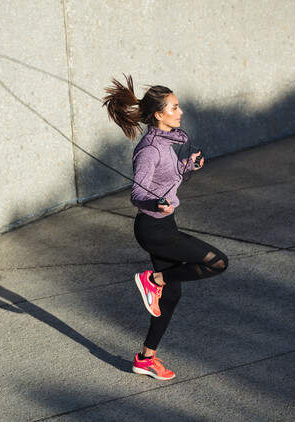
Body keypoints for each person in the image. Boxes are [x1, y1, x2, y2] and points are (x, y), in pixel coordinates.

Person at [103, 75, 229, 380]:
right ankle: (153, 279)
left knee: (171, 298)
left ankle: (145, 359)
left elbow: (165, 179)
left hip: (163, 225)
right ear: (159, 114)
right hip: (154, 230)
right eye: (174, 107)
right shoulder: (149, 150)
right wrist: (155, 202)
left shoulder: (166, 142)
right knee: (217, 262)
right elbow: (138, 192)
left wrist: (187, 167)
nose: (181, 110)